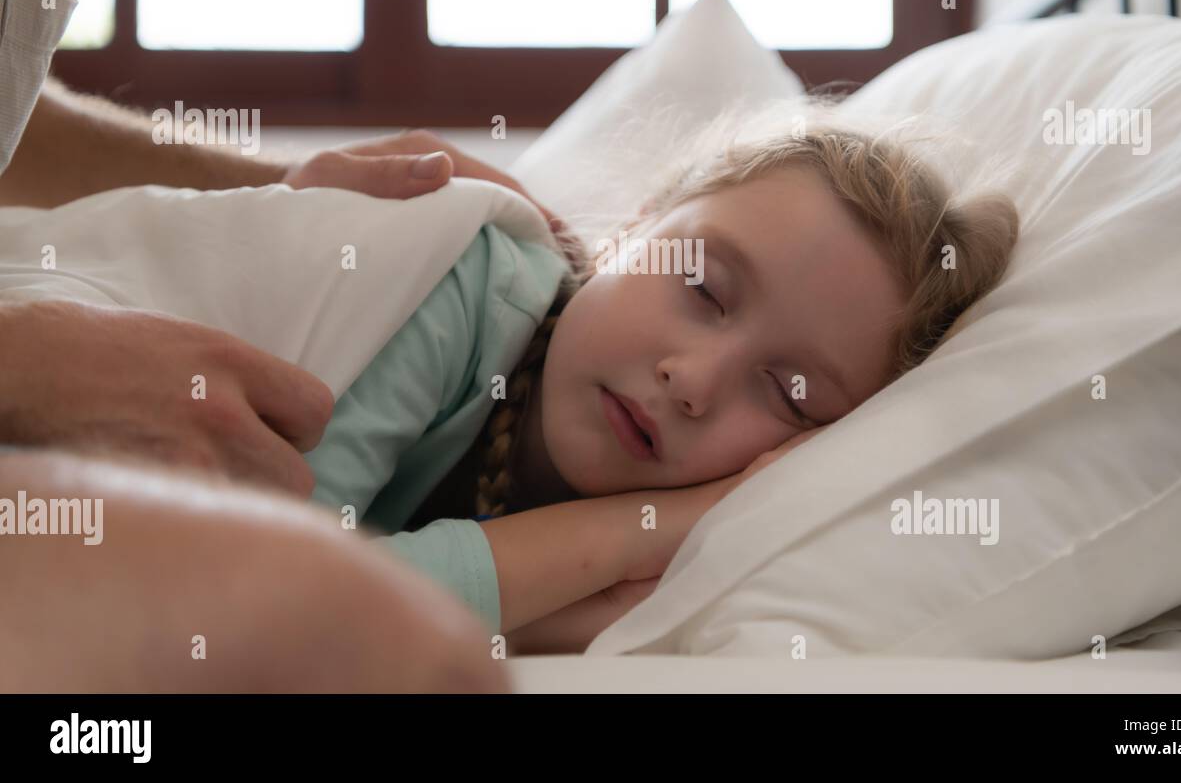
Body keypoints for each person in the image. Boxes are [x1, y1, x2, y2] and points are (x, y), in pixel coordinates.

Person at [0, 0, 550, 692]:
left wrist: (269, 188)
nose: (697, 379)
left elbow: (6, 116)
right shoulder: (479, 278)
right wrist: (24, 363)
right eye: (705, 289)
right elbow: (316, 558)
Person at [301, 102, 1020, 653]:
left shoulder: (706, 576)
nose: (693, 383)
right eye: (703, 287)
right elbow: (271, 601)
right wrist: (631, 535)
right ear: (631, 230)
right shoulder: (462, 281)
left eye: (788, 393)